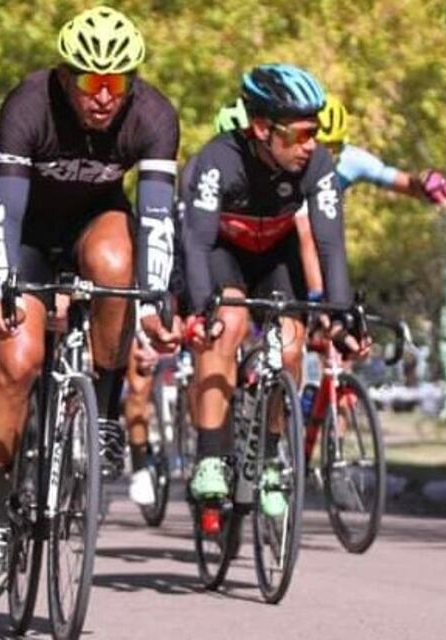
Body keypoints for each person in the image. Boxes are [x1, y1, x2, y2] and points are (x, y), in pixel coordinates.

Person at [0, 6, 181, 598]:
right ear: (66, 76)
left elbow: (157, 220)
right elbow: (4, 212)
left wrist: (161, 292)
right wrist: (0, 284)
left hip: (96, 222)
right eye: (90, 81)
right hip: (27, 235)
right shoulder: (29, 104)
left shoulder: (155, 115)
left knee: (119, 269)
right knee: (16, 363)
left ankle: (105, 413)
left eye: (118, 82)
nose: (105, 96)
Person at [183, 64, 353, 516]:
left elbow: (330, 244)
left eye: (314, 132)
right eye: (300, 134)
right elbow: (196, 243)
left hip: (274, 257)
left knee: (292, 346)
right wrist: (201, 308)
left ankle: (269, 458)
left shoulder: (317, 165)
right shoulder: (219, 160)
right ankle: (211, 454)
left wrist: (341, 313)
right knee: (228, 323)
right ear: (262, 128)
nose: (311, 144)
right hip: (222, 255)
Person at [316, 96, 446, 215]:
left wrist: (427, 183)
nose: (327, 154)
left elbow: (408, 184)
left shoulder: (352, 159)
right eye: (320, 147)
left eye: (334, 147)